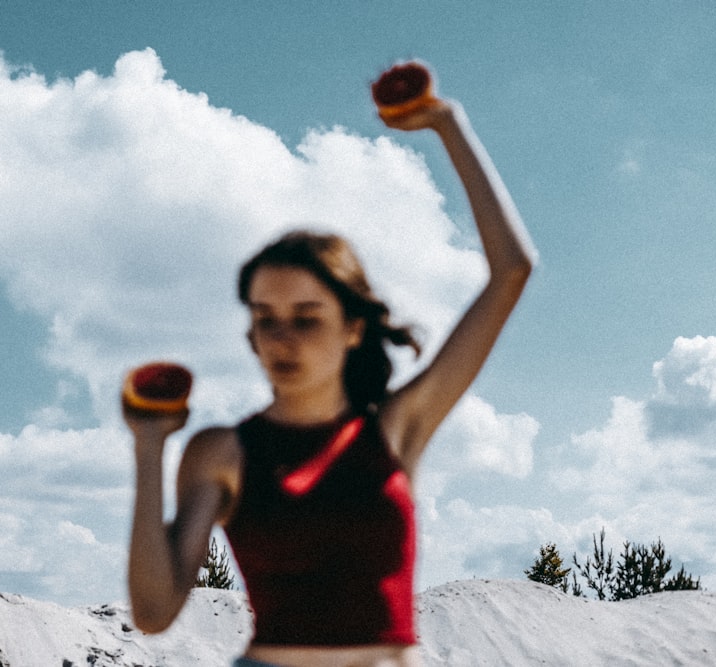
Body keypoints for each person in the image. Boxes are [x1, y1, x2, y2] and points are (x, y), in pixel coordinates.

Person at [123, 67, 536, 667]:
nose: (281, 339)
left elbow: (511, 273)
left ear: (353, 327)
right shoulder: (222, 453)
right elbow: (155, 613)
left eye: (307, 317)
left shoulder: (394, 429)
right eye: (266, 317)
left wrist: (448, 126)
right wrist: (149, 447)